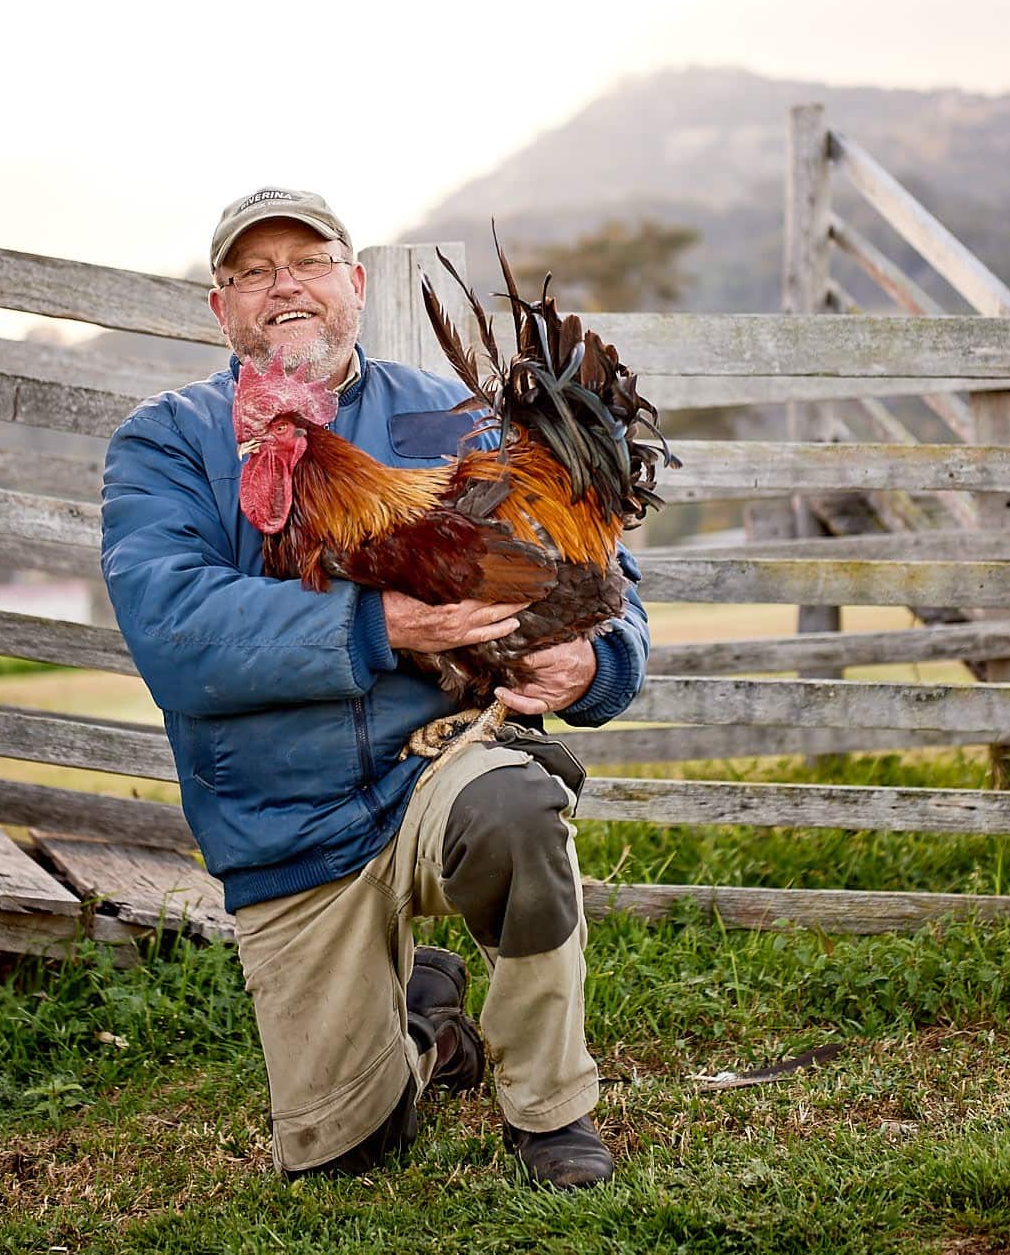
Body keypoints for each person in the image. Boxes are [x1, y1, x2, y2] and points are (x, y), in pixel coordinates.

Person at [101, 187, 650, 1190]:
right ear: (221, 308)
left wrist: (596, 661)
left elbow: (594, 576)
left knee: (519, 804)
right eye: (253, 272)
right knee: (348, 1154)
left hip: (432, 773)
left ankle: (552, 1111)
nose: (284, 288)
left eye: (307, 263)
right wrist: (381, 622)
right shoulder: (168, 442)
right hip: (282, 823)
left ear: (353, 285)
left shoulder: (446, 415)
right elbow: (173, 630)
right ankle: (430, 1026)